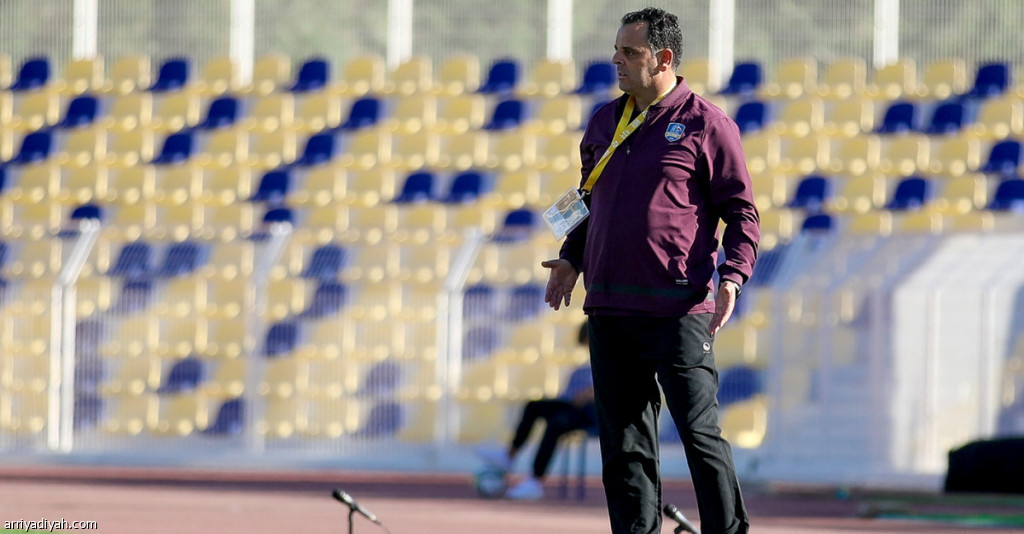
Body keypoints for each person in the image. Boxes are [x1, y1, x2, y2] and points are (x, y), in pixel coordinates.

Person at [541, 7, 759, 534]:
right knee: (624, 445)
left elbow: (743, 213)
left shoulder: (708, 124)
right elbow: (586, 202)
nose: (616, 60)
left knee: (700, 436)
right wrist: (571, 257)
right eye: (616, 50)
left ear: (663, 58)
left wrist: (733, 276)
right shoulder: (602, 122)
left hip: (677, 307)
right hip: (609, 305)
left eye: (629, 52)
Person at [476, 321, 596, 501]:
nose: (588, 349)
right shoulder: (582, 370)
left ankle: (535, 481)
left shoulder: (613, 360)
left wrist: (590, 394)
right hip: (576, 408)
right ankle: (509, 455)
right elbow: (570, 397)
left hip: (596, 414)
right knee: (534, 406)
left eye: (588, 343)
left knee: (556, 424)